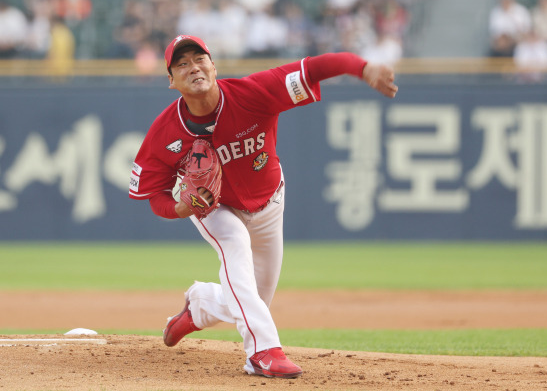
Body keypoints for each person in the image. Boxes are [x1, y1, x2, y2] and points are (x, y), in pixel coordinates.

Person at [129, 34, 398, 378]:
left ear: (214, 66)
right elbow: (155, 197)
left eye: (200, 59)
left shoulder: (254, 92)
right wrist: (181, 208)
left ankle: (199, 307)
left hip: (270, 201)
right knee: (235, 247)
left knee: (253, 299)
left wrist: (362, 68)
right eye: (182, 64)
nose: (193, 67)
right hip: (213, 207)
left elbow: (313, 67)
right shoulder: (165, 133)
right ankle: (262, 352)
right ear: (171, 81)